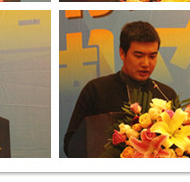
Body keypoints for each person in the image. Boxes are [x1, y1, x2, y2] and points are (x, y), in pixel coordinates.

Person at [64, 21, 179, 157]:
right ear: (122, 53)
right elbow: (70, 144)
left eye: (152, 56)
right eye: (138, 56)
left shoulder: (165, 95)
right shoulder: (96, 90)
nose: (146, 63)